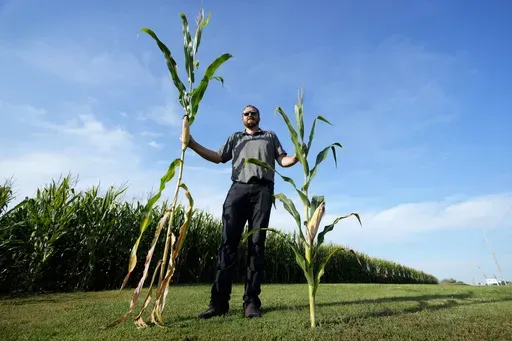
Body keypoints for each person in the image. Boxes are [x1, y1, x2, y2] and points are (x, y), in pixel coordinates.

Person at [180, 104, 304, 319]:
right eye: (246, 114)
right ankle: (218, 303)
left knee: (256, 244)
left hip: (263, 190)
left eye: (253, 113)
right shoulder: (235, 138)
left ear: (258, 117)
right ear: (242, 118)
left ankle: (251, 303)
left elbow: (283, 161)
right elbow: (218, 157)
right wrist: (191, 144)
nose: (249, 116)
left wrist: (298, 156)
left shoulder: (270, 136)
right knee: (228, 245)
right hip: (238, 189)